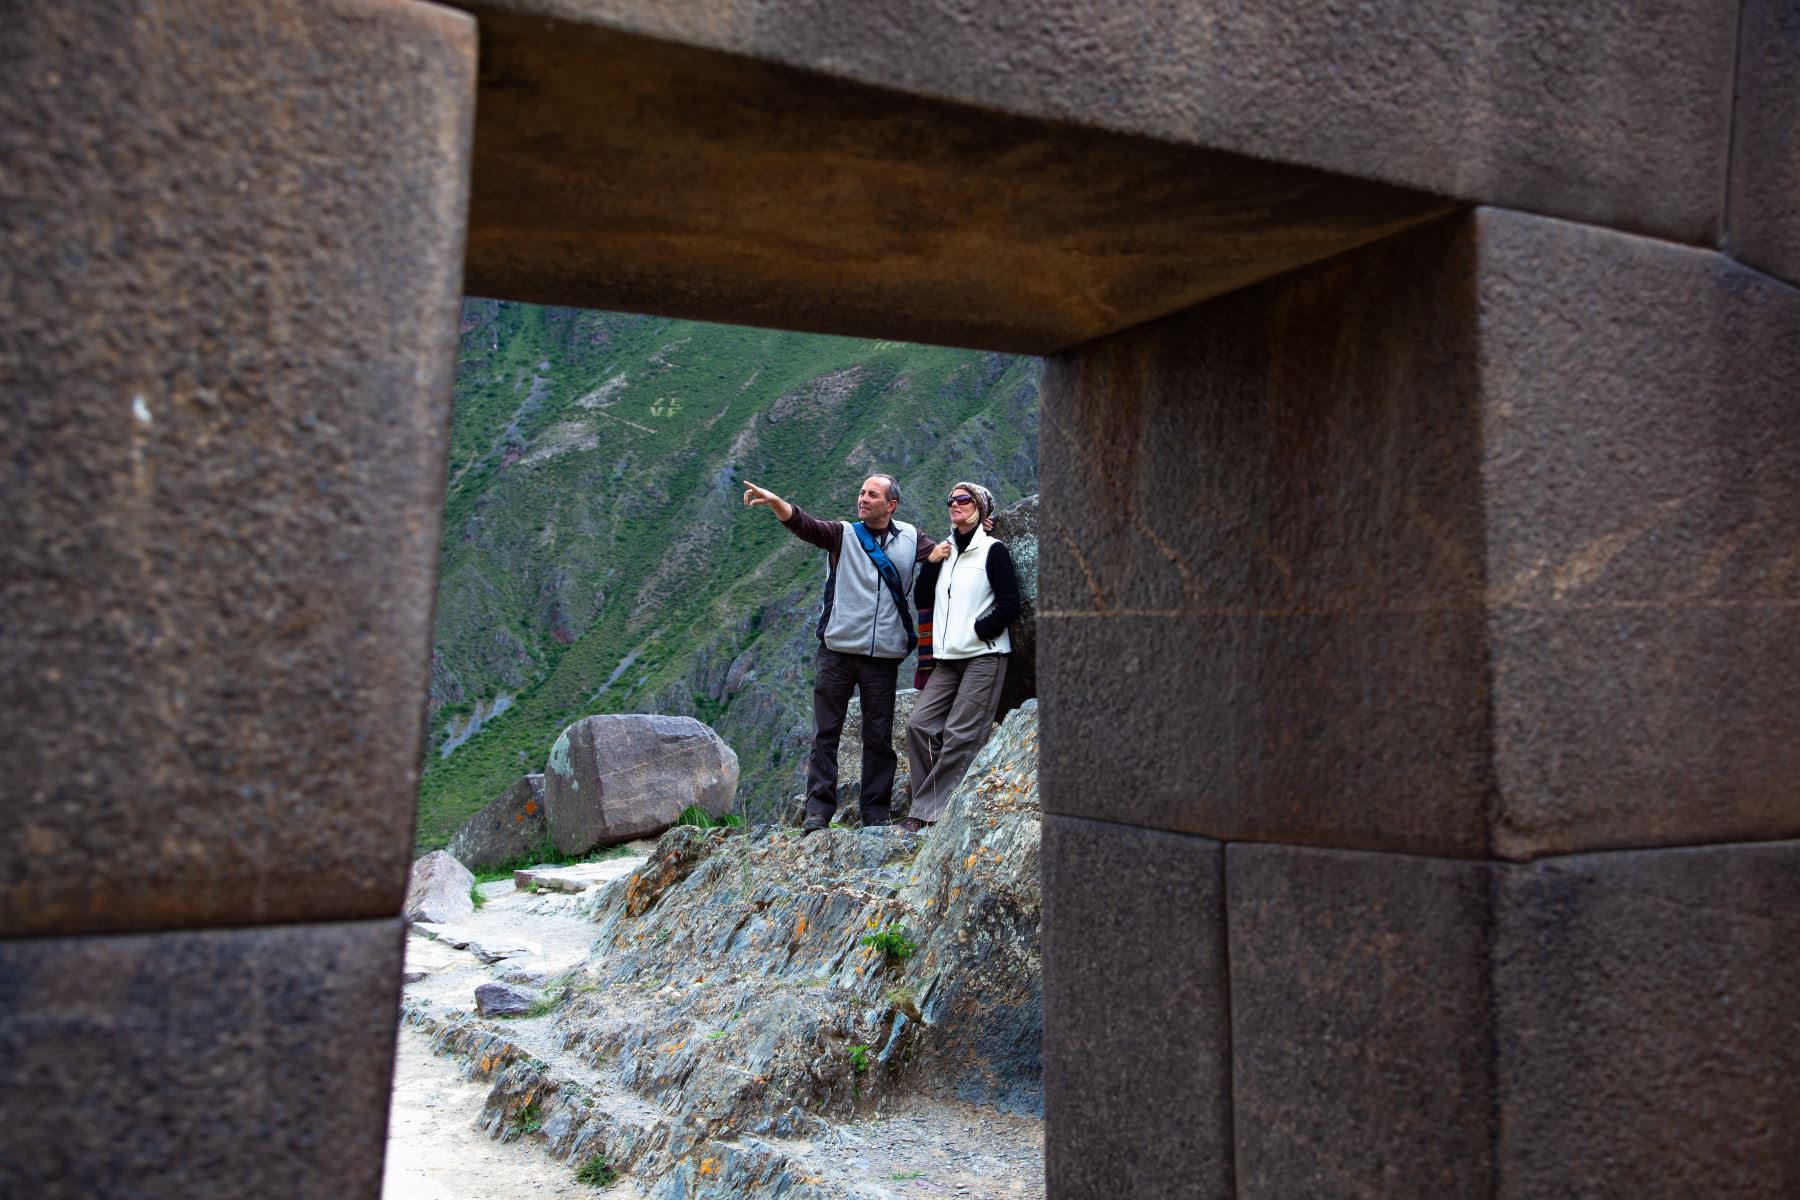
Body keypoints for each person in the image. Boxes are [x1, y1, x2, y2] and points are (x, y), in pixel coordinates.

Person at [742, 473, 936, 831]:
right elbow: (804, 525)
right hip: (838, 652)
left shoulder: (911, 538)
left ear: (890, 505)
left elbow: (942, 553)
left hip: (882, 657)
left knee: (878, 736)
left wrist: (978, 528)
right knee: (825, 732)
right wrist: (775, 502)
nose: (862, 498)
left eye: (872, 494)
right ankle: (818, 810)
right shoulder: (842, 534)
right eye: (861, 492)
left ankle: (875, 812)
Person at [899, 481, 1020, 832]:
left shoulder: (992, 551)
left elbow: (1010, 602)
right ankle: (931, 803)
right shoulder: (945, 551)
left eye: (963, 499)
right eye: (950, 499)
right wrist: (932, 562)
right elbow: (923, 598)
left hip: (985, 655)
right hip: (947, 659)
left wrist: (981, 630)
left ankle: (923, 814)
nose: (954, 503)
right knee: (918, 726)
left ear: (980, 508)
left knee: (959, 732)